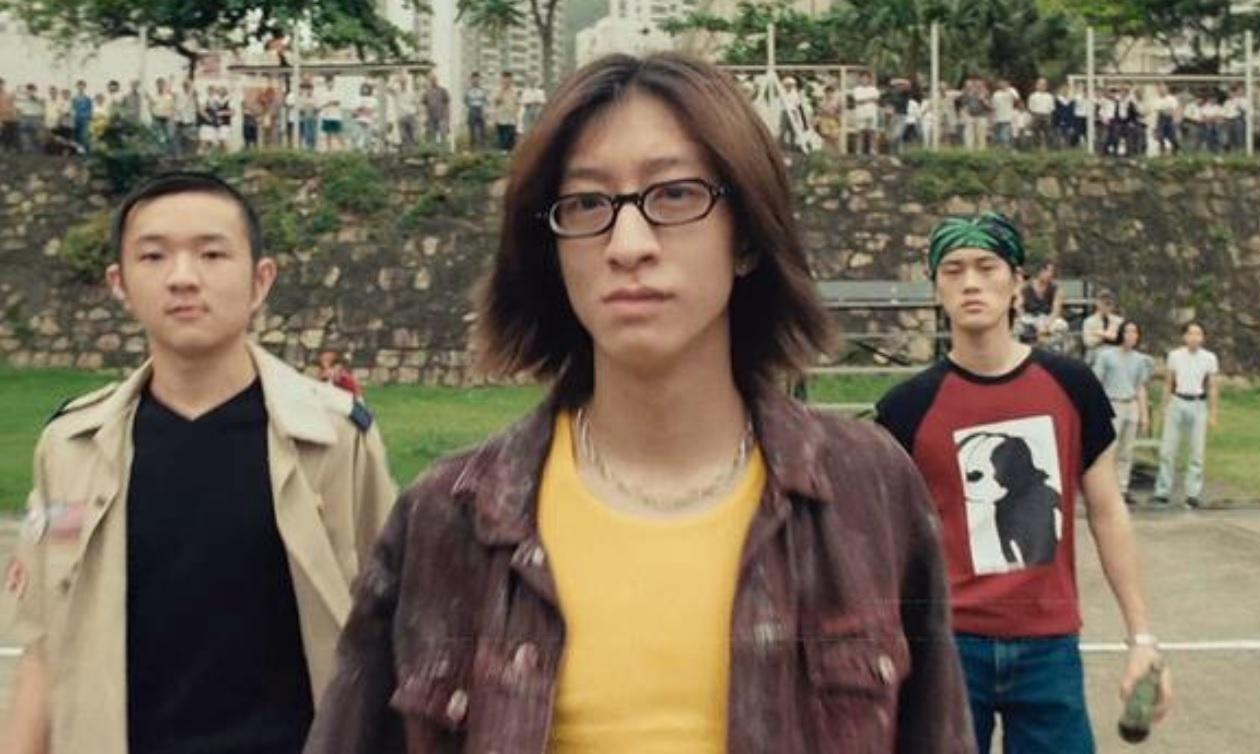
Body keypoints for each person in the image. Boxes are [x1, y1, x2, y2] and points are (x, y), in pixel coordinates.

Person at [305, 51, 975, 754]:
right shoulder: (450, 518)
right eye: (587, 204)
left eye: (675, 194)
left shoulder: (868, 491)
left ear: (747, 235)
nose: (628, 244)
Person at [0, 172, 397, 754]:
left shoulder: (337, 441)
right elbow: (45, 647)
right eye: (153, 256)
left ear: (261, 280)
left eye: (212, 254)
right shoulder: (70, 450)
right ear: (119, 284)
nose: (183, 277)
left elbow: (393, 635)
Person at [876, 212, 1173, 754]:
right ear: (936, 288)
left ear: (1016, 281)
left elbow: (1108, 511)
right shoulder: (906, 409)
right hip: (949, 648)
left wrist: (1142, 637)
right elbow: (883, 540)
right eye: (953, 270)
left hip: (1049, 647)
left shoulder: (1072, 386)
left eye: (986, 267)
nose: (971, 283)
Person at [1153, 321, 1220, 508]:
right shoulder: (1175, 356)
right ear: (1184, 336)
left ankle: (1192, 493)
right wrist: (1164, 407)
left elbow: (1212, 386)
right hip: (1178, 401)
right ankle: (1163, 491)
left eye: (1198, 334)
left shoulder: (1209, 358)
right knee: (1168, 450)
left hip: (1198, 403)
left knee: (1196, 451)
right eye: (1191, 333)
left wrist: (1213, 412)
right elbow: (1169, 383)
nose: (1194, 338)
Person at [1092, 321, 1153, 502]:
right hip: (1113, 402)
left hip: (1131, 403)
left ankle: (1122, 487)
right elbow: (1097, 383)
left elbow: (1140, 387)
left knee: (1127, 450)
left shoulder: (1140, 360)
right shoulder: (1107, 356)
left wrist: (1144, 414)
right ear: (1121, 334)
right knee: (1111, 448)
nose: (1131, 336)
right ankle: (1106, 487)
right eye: (1128, 332)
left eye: (1135, 332)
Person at [1017, 259, 1066, 349]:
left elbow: (1056, 310)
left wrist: (1047, 325)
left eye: (1052, 272)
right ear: (1040, 271)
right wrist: (1027, 321)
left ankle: (1051, 349)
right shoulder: (1026, 287)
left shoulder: (1056, 288)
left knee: (1062, 325)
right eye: (1047, 271)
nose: (1050, 274)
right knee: (1018, 327)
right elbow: (1019, 307)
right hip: (1030, 318)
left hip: (1047, 318)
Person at [1080, 289, 1123, 364]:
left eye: (1108, 303)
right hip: (1096, 354)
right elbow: (1088, 342)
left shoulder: (1119, 321)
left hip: (1115, 354)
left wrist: (1100, 334)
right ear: (1097, 303)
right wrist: (1104, 337)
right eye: (1103, 302)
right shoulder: (1089, 322)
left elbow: (1120, 339)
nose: (1106, 305)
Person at [851, 70, 881, 155]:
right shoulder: (857, 89)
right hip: (860, 114)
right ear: (860, 79)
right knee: (860, 132)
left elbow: (876, 99)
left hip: (871, 113)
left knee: (872, 132)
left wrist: (866, 99)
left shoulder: (873, 89)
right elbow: (858, 100)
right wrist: (870, 99)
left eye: (866, 78)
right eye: (863, 78)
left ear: (869, 79)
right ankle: (859, 150)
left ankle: (873, 150)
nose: (864, 79)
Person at [493, 70, 521, 151]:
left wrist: (516, 115)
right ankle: (503, 153)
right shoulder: (497, 90)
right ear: (501, 79)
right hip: (501, 118)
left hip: (511, 119)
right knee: (502, 140)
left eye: (509, 79)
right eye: (504, 79)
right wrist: (502, 90)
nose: (507, 81)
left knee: (511, 140)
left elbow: (517, 104)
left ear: (511, 80)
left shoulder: (515, 91)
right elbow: (496, 102)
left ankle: (510, 154)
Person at [424, 72, 451, 147]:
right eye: (431, 80)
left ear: (437, 80)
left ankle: (443, 150)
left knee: (443, 135)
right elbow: (425, 104)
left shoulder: (443, 90)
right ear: (429, 81)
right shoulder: (427, 92)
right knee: (432, 137)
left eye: (434, 79)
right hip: (431, 118)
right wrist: (425, 117)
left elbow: (447, 104)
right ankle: (434, 151)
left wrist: (448, 118)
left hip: (442, 117)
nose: (433, 81)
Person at [1026, 78, 1055, 150]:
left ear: (1046, 86)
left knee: (1048, 132)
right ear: (1037, 85)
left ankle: (1048, 147)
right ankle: (1037, 146)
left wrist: (1049, 116)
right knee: (1035, 131)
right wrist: (1034, 115)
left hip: (1046, 115)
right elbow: (1030, 107)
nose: (1042, 86)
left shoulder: (1049, 96)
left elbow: (1052, 107)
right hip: (1036, 115)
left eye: (1044, 84)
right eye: (1040, 84)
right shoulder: (1033, 96)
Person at [319, 76, 345, 152]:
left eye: (331, 82)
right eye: (327, 82)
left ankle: (344, 148)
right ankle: (329, 149)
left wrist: (329, 103)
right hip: (326, 116)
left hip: (336, 116)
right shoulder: (324, 93)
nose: (329, 83)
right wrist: (328, 103)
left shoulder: (337, 91)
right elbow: (322, 104)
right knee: (328, 134)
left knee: (338, 133)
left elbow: (338, 102)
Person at [464, 71, 488, 149]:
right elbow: (465, 101)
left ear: (479, 79)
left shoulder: (482, 90)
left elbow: (485, 101)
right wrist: (471, 106)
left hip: (480, 110)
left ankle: (482, 148)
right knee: (472, 132)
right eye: (474, 79)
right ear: (471, 80)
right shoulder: (468, 90)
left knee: (482, 131)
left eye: (477, 79)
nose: (476, 80)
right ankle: (472, 148)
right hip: (472, 110)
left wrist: (484, 111)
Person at [71, 81, 94, 155]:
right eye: (79, 86)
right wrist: (73, 117)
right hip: (76, 118)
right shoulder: (74, 99)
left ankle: (86, 151)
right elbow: (72, 109)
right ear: (77, 87)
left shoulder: (88, 99)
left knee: (84, 135)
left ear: (84, 87)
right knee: (77, 135)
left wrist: (88, 118)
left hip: (84, 119)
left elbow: (90, 109)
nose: (80, 88)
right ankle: (78, 151)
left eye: (82, 86)